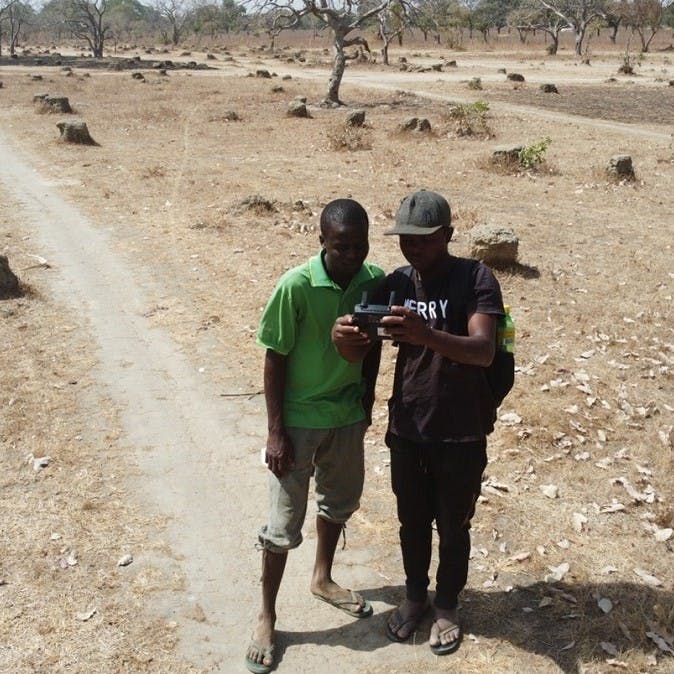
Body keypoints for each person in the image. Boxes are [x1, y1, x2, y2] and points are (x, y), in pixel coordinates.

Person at [332, 190, 505, 656]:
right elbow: (355, 338)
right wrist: (346, 332)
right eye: (406, 239)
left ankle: (446, 606)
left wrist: (424, 334)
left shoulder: (476, 278)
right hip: (409, 424)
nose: (413, 248)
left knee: (454, 525)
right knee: (411, 522)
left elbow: (483, 350)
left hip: (462, 428)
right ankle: (413, 598)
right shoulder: (396, 283)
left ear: (448, 235)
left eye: (424, 240)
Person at [245, 198, 384, 674]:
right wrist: (276, 432)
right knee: (282, 527)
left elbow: (375, 346)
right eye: (342, 246)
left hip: (345, 417)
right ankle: (267, 615)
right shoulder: (296, 286)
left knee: (339, 504)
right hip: (299, 421)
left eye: (360, 245)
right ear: (321, 241)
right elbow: (274, 357)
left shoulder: (372, 281)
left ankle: (323, 578)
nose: (352, 255)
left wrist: (365, 403)